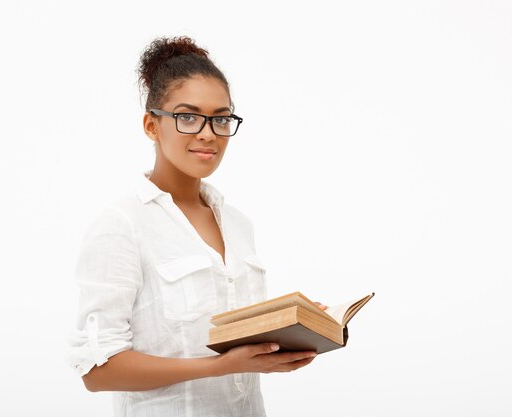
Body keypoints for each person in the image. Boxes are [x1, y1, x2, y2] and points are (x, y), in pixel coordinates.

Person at [67, 35, 326, 417]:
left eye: (221, 118)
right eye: (188, 116)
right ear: (152, 125)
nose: (208, 133)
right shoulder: (122, 225)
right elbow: (97, 370)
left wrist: (290, 329)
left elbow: (234, 341)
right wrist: (220, 368)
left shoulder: (238, 224)